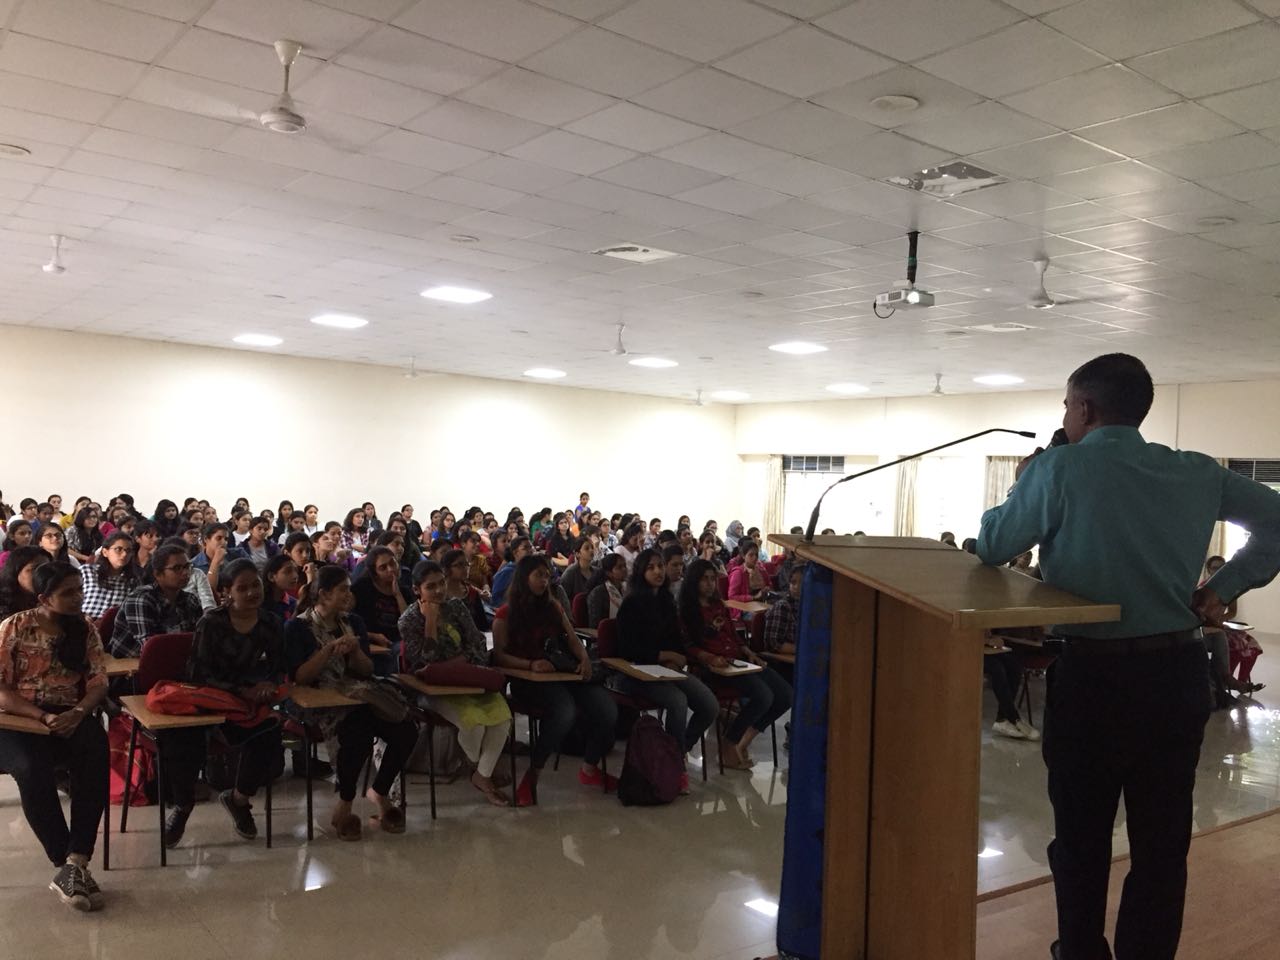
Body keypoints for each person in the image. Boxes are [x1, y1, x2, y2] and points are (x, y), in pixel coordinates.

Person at [975, 352, 1280, 960]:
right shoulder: (1196, 472)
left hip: (1094, 677)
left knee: (1082, 838)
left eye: (1066, 404)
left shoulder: (1058, 468)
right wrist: (1221, 589)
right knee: (1163, 844)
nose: (1064, 414)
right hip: (1177, 675)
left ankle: (1082, 951)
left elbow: (992, 544)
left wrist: (1028, 477)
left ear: (1084, 408)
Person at [0, 562, 110, 911]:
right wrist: (43, 715)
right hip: (20, 718)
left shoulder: (86, 629)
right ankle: (65, 863)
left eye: (79, 590)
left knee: (95, 752)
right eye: (68, 593)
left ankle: (77, 859)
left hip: (69, 714)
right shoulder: (14, 627)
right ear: (44, 597)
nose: (79, 598)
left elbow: (98, 682)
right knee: (32, 769)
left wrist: (77, 712)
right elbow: (0, 689)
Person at [285, 565, 416, 839]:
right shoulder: (298, 626)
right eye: (343, 588)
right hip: (317, 700)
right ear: (323, 594)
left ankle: (379, 791)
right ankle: (345, 804)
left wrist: (355, 650)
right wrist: (328, 651)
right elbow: (300, 678)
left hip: (357, 694)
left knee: (406, 729)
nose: (349, 593)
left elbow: (366, 670)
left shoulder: (353, 622)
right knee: (358, 729)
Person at [162, 560, 287, 848]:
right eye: (242, 588)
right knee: (182, 740)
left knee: (269, 731)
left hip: (245, 702)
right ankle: (183, 806)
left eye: (255, 585)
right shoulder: (212, 622)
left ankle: (238, 799)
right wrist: (243, 690)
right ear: (226, 593)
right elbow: (199, 674)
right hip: (209, 697)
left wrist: (269, 684)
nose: (252, 593)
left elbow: (279, 666)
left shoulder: (270, 623)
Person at [492, 554, 618, 807]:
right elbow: (499, 656)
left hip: (561, 673)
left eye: (547, 575)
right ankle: (532, 775)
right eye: (538, 575)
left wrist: (583, 658)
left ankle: (590, 768)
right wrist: (530, 665)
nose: (544, 580)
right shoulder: (506, 614)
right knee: (564, 712)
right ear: (523, 578)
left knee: (607, 709)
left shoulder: (553, 607)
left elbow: (572, 639)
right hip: (529, 680)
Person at [399, 560, 513, 807]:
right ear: (417, 589)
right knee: (476, 726)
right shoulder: (408, 620)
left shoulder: (456, 607)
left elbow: (478, 644)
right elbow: (423, 665)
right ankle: (482, 768)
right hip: (434, 690)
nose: (439, 590)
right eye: (431, 587)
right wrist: (430, 622)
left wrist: (456, 663)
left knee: (502, 718)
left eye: (441, 583)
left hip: (469, 678)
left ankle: (481, 776)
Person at [613, 548, 717, 794]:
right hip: (636, 672)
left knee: (709, 705)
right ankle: (677, 768)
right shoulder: (631, 603)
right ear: (641, 571)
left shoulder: (667, 601)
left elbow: (675, 640)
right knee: (678, 701)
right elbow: (628, 648)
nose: (658, 571)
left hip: (666, 670)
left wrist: (675, 659)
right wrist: (663, 656)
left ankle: (673, 754)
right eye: (651, 567)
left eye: (661, 566)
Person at [681, 558, 792, 771]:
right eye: (704, 579)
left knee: (786, 695)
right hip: (714, 667)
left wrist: (750, 652)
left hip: (737, 660)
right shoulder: (687, 610)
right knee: (764, 696)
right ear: (694, 581)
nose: (710, 584)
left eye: (713, 579)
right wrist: (709, 657)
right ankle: (730, 742)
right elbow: (688, 645)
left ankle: (742, 740)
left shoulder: (718, 606)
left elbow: (734, 636)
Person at [108, 543, 202, 659]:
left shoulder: (190, 599)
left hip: (176, 662)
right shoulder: (141, 600)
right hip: (133, 669)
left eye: (187, 566)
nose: (185, 572)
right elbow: (151, 648)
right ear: (158, 574)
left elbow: (200, 640)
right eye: (177, 568)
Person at [1201, 555, 1264, 703]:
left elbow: (1232, 611)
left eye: (1222, 568)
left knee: (1244, 644)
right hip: (1201, 631)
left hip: (1217, 630)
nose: (1218, 571)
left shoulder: (1230, 589)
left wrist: (1219, 620)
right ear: (1208, 570)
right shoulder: (1202, 589)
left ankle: (1228, 682)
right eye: (1214, 568)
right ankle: (1225, 684)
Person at [79, 532, 140, 619]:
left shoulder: (133, 580)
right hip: (83, 622)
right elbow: (70, 600)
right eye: (118, 549)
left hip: (111, 628)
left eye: (129, 550)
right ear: (105, 552)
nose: (124, 554)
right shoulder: (86, 571)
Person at [0, 547, 50, 625]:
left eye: (46, 569)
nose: (42, 574)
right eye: (35, 568)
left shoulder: (54, 599)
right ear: (15, 572)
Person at [586, 553, 626, 627]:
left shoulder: (626, 589)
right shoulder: (598, 593)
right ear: (609, 573)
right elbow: (595, 625)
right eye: (619, 567)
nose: (624, 569)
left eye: (624, 566)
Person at [490, 535, 531, 608]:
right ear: (515, 552)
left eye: (530, 547)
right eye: (525, 548)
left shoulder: (531, 570)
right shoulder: (507, 572)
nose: (530, 551)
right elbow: (495, 600)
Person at [558, 536, 597, 605]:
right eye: (587, 548)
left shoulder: (597, 571)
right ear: (577, 554)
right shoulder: (570, 573)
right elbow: (563, 599)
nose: (591, 550)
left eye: (592, 547)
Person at [261, 554, 300, 622]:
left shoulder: (293, 604)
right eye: (288, 571)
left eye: (296, 571)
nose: (295, 576)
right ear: (271, 577)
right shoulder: (259, 604)